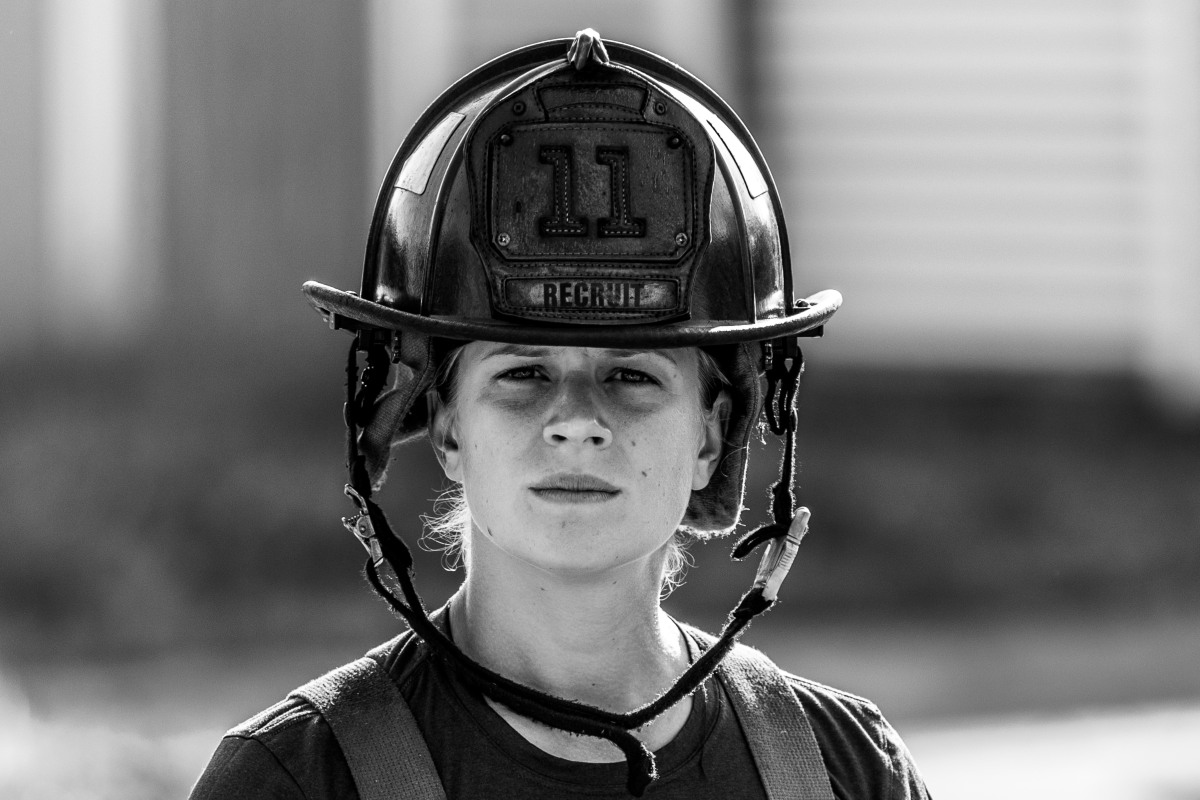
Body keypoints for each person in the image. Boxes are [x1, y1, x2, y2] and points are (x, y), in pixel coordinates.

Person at [190, 29, 930, 799]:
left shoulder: (845, 769)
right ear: (445, 425)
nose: (577, 420)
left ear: (712, 435)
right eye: (524, 373)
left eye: (632, 376)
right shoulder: (298, 779)